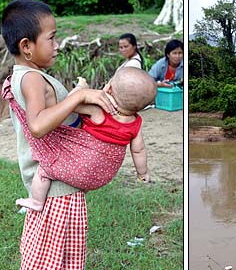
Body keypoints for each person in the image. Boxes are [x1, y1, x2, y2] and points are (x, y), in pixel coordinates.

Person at [0, 0, 121, 270]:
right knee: (51, 258)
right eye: (51, 38)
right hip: (53, 185)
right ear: (27, 46)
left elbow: (61, 116)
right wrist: (82, 95)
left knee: (67, 248)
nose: (56, 45)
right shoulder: (32, 77)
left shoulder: (28, 74)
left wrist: (88, 97)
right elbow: (38, 124)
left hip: (59, 181)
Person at [10, 67, 156, 212]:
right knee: (83, 172)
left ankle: (36, 201)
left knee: (45, 169)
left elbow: (69, 103)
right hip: (103, 176)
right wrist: (142, 173)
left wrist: (81, 90)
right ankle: (78, 187)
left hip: (82, 169)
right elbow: (138, 150)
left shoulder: (98, 110)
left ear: (109, 89)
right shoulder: (135, 123)